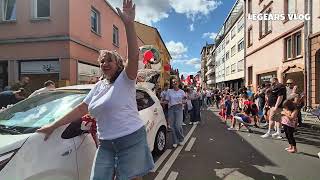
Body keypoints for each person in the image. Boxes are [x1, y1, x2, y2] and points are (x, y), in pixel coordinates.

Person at [37, 1, 154, 179]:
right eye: (102, 61)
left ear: (118, 64)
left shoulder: (126, 79)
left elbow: (134, 55)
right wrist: (53, 126)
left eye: (109, 61)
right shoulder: (99, 86)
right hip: (106, 143)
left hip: (130, 139)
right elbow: (80, 109)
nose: (105, 64)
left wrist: (129, 24)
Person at [165, 78, 186, 148]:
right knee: (172, 126)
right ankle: (175, 141)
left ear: (178, 83)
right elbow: (167, 101)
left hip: (179, 108)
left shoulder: (182, 91)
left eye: (175, 82)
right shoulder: (169, 91)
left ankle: (181, 139)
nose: (174, 83)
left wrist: (183, 102)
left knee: (178, 125)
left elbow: (185, 99)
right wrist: (159, 102)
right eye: (173, 82)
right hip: (171, 108)